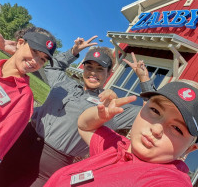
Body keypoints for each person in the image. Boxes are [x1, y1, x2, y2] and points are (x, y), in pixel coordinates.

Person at [0, 34, 155, 186]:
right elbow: (54, 66)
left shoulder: (110, 106)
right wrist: (73, 51)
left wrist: (145, 81)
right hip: (20, 142)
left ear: (109, 73)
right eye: (89, 67)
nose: (93, 72)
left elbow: (151, 115)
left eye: (100, 69)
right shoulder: (65, 84)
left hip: (48, 167)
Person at [44, 79, 198, 187]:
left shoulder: (165, 179)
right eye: (155, 110)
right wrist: (99, 116)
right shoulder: (118, 146)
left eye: (177, 128)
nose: (156, 129)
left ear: (190, 148)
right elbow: (85, 126)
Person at [0, 27, 56, 164]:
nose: (36, 62)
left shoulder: (23, 96)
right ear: (19, 43)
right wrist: (2, 44)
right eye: (34, 51)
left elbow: (2, 139)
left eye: (42, 59)